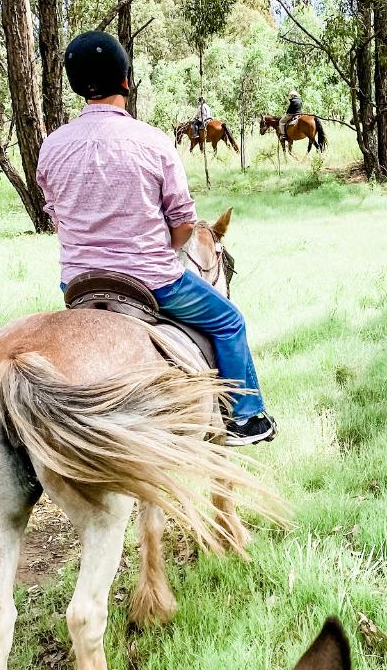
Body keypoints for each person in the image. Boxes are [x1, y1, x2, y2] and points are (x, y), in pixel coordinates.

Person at [37, 31, 277, 445]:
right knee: (229, 320)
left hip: (77, 285)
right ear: (126, 82)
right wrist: (155, 250)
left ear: (77, 86)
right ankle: (246, 416)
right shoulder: (152, 141)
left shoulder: (51, 146)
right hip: (151, 280)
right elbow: (184, 225)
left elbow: (57, 219)